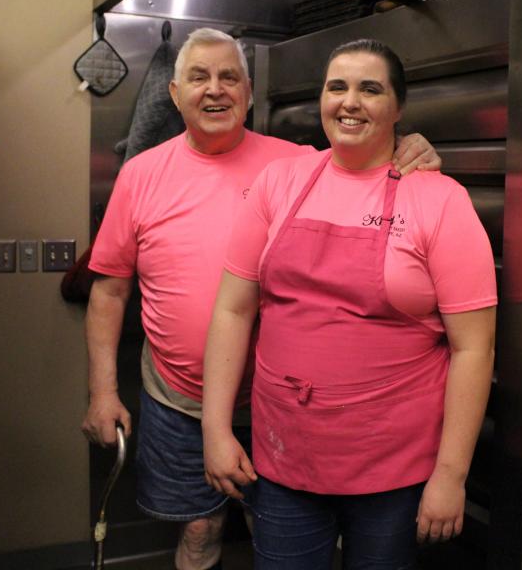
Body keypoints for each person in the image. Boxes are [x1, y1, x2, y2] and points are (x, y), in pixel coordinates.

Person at [80, 28, 440, 570]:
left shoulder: (298, 163)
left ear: (248, 93)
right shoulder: (140, 174)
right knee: (200, 530)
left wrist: (411, 145)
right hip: (178, 400)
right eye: (199, 77)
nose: (215, 90)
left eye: (229, 77)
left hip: (282, 404)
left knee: (280, 536)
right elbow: (108, 291)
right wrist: (102, 392)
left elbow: (366, 158)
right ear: (175, 95)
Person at [202, 38, 497, 569]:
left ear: (398, 108)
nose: (349, 102)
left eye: (370, 89)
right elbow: (232, 310)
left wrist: (450, 475)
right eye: (337, 87)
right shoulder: (281, 181)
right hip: (285, 455)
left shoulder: (439, 199)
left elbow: (473, 349)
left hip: (394, 469)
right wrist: (216, 430)